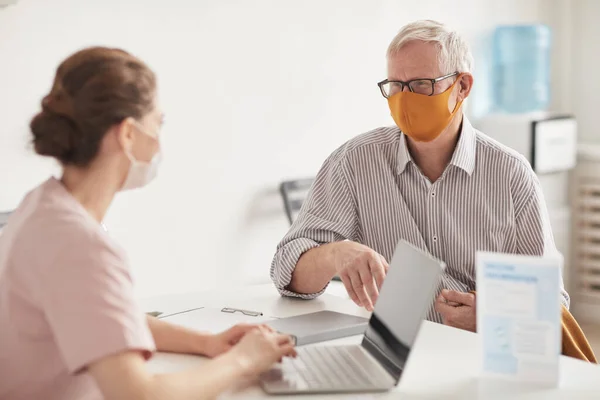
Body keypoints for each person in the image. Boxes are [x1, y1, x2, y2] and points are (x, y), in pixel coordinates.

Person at [0, 47, 295, 400]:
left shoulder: (42, 207)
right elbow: (138, 396)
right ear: (127, 134)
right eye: (158, 122)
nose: (159, 137)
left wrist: (206, 343)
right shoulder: (81, 246)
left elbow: (106, 321)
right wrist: (244, 362)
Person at [270, 20, 570, 332]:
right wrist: (334, 254)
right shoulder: (356, 161)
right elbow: (284, 272)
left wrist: (496, 316)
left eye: (421, 85)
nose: (405, 99)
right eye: (396, 86)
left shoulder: (511, 175)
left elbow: (553, 302)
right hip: (391, 350)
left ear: (462, 87)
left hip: (482, 354)